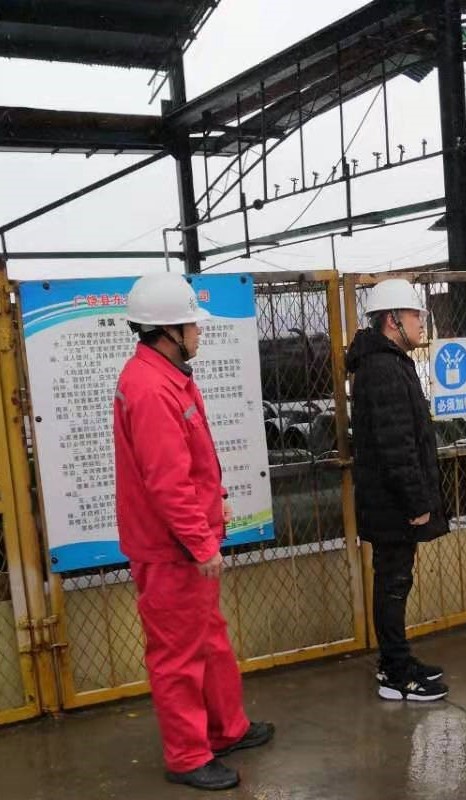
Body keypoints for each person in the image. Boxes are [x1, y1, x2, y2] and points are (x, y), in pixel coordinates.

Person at [114, 272, 274, 790]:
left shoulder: (166, 376)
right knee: (178, 656)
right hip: (172, 550)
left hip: (182, 543)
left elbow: (191, 464)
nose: (199, 331)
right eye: (191, 324)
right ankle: (187, 756)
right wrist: (201, 543)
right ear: (168, 331)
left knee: (209, 641)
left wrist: (214, 502)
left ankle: (227, 729)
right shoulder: (150, 387)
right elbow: (167, 482)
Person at [346, 278, 450, 702]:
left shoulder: (386, 362)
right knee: (393, 584)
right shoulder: (384, 368)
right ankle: (396, 674)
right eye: (415, 315)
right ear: (392, 320)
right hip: (393, 505)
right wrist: (416, 502)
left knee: (394, 582)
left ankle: (397, 659)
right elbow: (396, 444)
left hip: (389, 502)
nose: (422, 322)